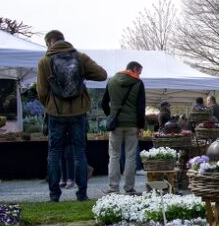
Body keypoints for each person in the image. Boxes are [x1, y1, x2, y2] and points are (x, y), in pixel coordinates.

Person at [36, 30, 107, 202]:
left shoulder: (44, 61)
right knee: (79, 152)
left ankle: (54, 195)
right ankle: (81, 193)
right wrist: (81, 73)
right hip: (78, 112)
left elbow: (42, 91)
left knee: (54, 153)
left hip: (56, 113)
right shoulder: (80, 57)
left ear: (51, 41)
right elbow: (102, 74)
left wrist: (51, 104)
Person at [101, 61, 146, 196]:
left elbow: (104, 103)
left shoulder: (112, 80)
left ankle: (113, 188)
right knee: (130, 157)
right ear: (134, 68)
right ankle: (129, 188)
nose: (140, 74)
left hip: (116, 125)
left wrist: (111, 115)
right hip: (132, 125)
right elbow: (140, 107)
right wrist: (140, 126)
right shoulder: (138, 83)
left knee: (114, 156)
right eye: (139, 71)